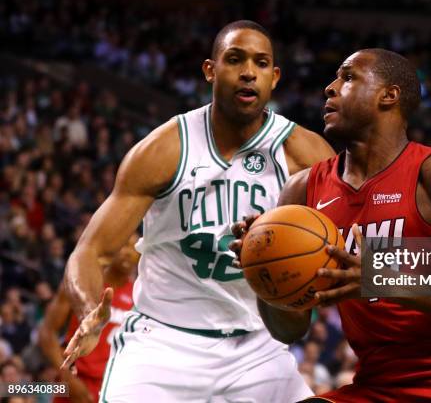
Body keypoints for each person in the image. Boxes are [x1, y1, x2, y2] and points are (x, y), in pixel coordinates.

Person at [60, 20, 335, 402]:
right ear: (210, 70)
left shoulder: (305, 154)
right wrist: (90, 311)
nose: (247, 73)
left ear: (274, 78)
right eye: (235, 59)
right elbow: (90, 252)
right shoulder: (164, 149)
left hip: (257, 345)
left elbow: (353, 248)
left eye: (260, 63)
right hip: (163, 344)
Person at [231, 49, 431, 402]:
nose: (330, 88)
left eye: (348, 77)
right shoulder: (304, 188)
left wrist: (379, 276)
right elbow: (290, 329)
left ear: (389, 95)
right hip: (377, 384)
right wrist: (264, 273)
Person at [38, 233, 139, 403]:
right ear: (113, 247)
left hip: (113, 385)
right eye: (124, 244)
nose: (128, 252)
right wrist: (68, 379)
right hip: (76, 379)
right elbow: (47, 334)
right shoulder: (81, 283)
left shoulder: (140, 297)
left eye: (134, 247)